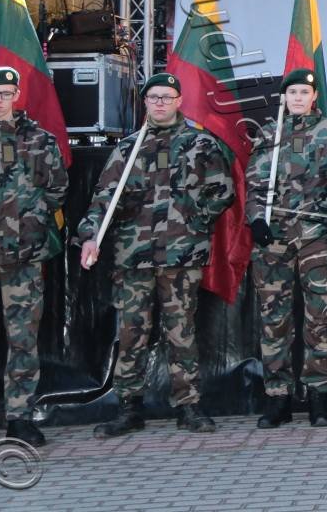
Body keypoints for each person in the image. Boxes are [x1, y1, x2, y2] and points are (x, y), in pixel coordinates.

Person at [79, 72, 235, 436]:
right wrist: (89, 236)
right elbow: (103, 199)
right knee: (132, 332)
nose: (160, 103)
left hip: (181, 256)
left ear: (179, 101)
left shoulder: (200, 144)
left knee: (181, 332)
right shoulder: (127, 148)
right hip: (134, 256)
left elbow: (223, 191)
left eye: (167, 97)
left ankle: (189, 406)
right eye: (154, 97)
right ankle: (129, 407)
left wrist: (193, 220)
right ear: (145, 102)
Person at [246, 69, 327, 429]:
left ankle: (319, 396)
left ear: (314, 96)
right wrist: (256, 220)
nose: (298, 98)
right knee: (274, 319)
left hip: (316, 236)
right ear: (283, 97)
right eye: (293, 92)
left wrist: (326, 205)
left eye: (304, 92)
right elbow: (252, 184)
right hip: (273, 240)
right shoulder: (268, 135)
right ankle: (278, 397)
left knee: (320, 318)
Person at [0, 67, 68, 451]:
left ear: (17, 95)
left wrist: (31, 223)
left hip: (24, 258)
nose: (0, 99)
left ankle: (19, 418)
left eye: (6, 93)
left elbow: (57, 190)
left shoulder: (40, 140)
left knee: (23, 340)